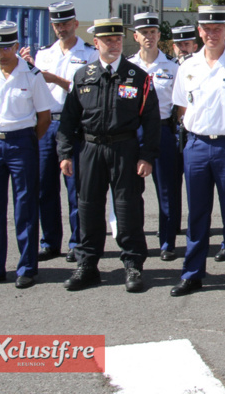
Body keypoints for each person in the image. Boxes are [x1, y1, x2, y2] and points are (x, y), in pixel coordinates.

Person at [56, 17, 160, 293]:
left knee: (128, 208)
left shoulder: (138, 77)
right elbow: (69, 120)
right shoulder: (83, 76)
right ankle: (87, 265)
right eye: (108, 40)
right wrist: (65, 153)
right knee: (88, 206)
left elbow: (151, 121)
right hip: (90, 149)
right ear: (97, 43)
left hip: (125, 149)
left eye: (117, 40)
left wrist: (146, 155)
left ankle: (133, 265)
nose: (114, 45)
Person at [170, 6, 225, 299]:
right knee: (197, 213)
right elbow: (182, 107)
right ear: (199, 31)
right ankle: (192, 273)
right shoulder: (187, 67)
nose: (212, 34)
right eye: (207, 29)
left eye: (218, 29)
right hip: (195, 145)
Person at [0, 21, 53, 289]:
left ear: (17, 46)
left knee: (25, 206)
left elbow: (44, 117)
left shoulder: (31, 75)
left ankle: (27, 268)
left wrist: (28, 141)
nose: (1, 52)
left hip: (22, 143)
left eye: (7, 47)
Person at [20, 1, 97, 264]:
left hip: (75, 124)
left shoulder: (89, 54)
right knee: (44, 187)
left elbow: (90, 93)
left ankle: (78, 242)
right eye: (57, 24)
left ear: (76, 24)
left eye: (66, 23)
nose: (61, 28)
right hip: (47, 122)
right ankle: (50, 241)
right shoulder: (43, 54)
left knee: (76, 188)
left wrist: (55, 79)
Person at [127, 12, 181, 262]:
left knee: (167, 189)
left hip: (162, 129)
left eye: (153, 32)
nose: (149, 37)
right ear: (135, 36)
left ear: (159, 35)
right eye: (144, 33)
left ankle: (168, 242)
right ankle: (135, 241)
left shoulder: (173, 66)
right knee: (130, 190)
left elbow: (181, 103)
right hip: (132, 131)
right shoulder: (127, 66)